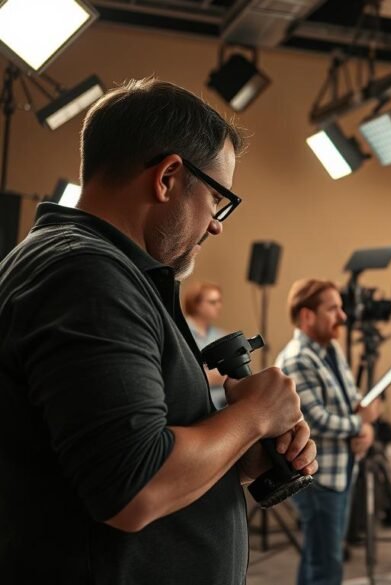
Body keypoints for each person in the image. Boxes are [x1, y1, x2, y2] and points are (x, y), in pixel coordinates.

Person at [0, 78, 316, 584]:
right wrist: (256, 415)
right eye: (217, 198)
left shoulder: (93, 268)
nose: (216, 224)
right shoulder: (87, 276)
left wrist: (239, 452)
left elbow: (127, 456)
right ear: (168, 177)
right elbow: (134, 488)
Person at [275, 278, 381, 585]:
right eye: (333, 309)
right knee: (327, 565)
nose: (343, 316)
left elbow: (351, 401)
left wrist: (367, 426)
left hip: (340, 470)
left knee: (317, 554)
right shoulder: (297, 358)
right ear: (308, 316)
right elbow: (317, 420)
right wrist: (361, 424)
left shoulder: (330, 348)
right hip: (318, 479)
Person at [183, 281, 229, 408]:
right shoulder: (180, 334)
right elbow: (184, 379)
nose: (218, 306)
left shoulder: (220, 336)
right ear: (196, 304)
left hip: (222, 407)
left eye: (220, 301)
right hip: (193, 407)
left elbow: (232, 375)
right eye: (212, 302)